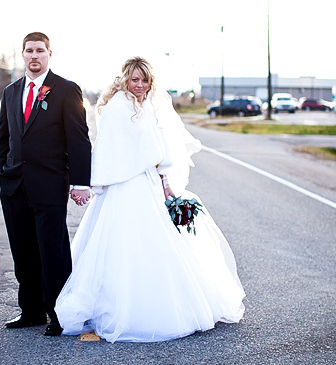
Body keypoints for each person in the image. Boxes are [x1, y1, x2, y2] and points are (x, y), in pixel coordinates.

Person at [56, 57, 245, 342]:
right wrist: (94, 183)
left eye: (145, 80)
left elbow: (158, 149)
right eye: (135, 79)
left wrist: (167, 183)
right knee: (120, 245)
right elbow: (110, 147)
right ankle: (116, 306)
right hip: (124, 187)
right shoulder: (117, 106)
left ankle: (154, 303)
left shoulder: (148, 105)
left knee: (155, 243)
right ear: (124, 80)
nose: (140, 85)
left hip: (146, 183)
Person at [0, 32, 92, 336]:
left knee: (53, 251)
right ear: (22, 55)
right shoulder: (11, 92)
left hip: (49, 184)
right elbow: (4, 138)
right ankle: (31, 311)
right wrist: (3, 171)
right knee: (22, 250)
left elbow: (78, 140)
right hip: (14, 186)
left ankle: (59, 314)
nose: (34, 56)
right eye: (29, 51)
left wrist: (79, 182)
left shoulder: (65, 90)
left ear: (49, 54)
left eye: (40, 51)